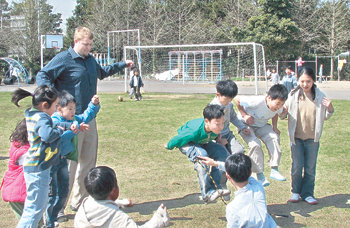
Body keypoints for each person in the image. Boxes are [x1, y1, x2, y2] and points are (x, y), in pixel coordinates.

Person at [36, 26, 134, 212]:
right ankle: (58, 208)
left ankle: (80, 202)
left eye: (90, 44)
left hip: (89, 118)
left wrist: (123, 64)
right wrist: (53, 97)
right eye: (85, 44)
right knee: (69, 166)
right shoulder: (64, 59)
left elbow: (102, 72)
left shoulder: (90, 60)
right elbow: (42, 74)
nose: (89, 48)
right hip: (69, 123)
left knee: (88, 163)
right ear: (76, 42)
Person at [11, 86, 65, 227]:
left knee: (34, 209)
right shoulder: (42, 117)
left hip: (34, 167)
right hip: (38, 168)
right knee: (34, 211)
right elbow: (47, 135)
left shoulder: (32, 114)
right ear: (45, 105)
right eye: (55, 106)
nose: (56, 109)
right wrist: (59, 131)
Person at [45, 91, 101, 227]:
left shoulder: (73, 119)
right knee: (53, 190)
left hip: (64, 160)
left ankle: (55, 214)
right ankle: (49, 219)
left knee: (63, 189)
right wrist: (72, 129)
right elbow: (57, 137)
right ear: (59, 109)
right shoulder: (55, 120)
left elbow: (86, 116)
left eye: (74, 109)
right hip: (53, 162)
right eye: (70, 109)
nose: (73, 112)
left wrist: (94, 105)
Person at [282, 67, 334, 205]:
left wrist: (329, 107)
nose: (305, 84)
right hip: (296, 138)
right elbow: (282, 114)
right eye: (302, 81)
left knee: (310, 168)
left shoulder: (320, 95)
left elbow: (326, 115)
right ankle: (295, 192)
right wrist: (283, 110)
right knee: (297, 167)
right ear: (298, 80)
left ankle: (308, 194)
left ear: (313, 81)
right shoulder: (293, 95)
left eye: (308, 81)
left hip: (312, 139)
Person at [165, 104, 231, 203]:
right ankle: (208, 193)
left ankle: (218, 187)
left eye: (223, 123)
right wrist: (169, 145)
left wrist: (219, 140)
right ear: (206, 122)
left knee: (222, 153)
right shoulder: (193, 131)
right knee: (202, 156)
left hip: (202, 142)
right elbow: (179, 138)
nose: (221, 127)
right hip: (187, 142)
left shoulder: (214, 129)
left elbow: (214, 136)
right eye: (218, 124)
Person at [74, 166, 169, 227]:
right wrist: (159, 219)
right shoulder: (116, 217)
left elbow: (101, 206)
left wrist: (119, 203)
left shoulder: (85, 205)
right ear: (113, 190)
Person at [198, 154, 277, 228]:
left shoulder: (232, 208)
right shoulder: (258, 187)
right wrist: (216, 163)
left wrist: (216, 164)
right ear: (250, 173)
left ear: (228, 176)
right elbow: (242, 171)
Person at [234, 84, 288, 187]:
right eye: (277, 103)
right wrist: (245, 115)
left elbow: (276, 113)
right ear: (269, 98)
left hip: (261, 125)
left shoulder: (278, 107)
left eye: (282, 104)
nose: (279, 107)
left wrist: (275, 127)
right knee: (255, 145)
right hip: (245, 125)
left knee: (274, 137)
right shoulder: (256, 101)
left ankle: (274, 169)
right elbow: (237, 99)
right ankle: (260, 175)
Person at [210, 80, 249, 155]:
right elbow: (211, 128)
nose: (230, 101)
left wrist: (242, 127)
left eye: (231, 98)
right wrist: (218, 139)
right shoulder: (212, 108)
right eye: (227, 99)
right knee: (224, 155)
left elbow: (233, 117)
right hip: (216, 137)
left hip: (228, 134)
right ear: (218, 94)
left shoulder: (229, 105)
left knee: (239, 151)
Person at [0, 119, 29, 221]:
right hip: (19, 192)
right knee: (28, 222)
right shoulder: (26, 152)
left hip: (14, 191)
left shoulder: (17, 145)